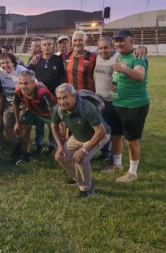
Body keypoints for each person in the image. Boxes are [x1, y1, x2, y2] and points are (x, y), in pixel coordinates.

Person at [51, 83, 111, 198]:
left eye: (65, 97)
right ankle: (77, 178)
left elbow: (101, 132)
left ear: (74, 96)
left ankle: (87, 189)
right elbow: (54, 126)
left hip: (98, 135)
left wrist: (84, 149)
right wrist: (59, 146)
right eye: (59, 98)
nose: (62, 102)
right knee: (60, 156)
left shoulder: (86, 108)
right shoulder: (58, 109)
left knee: (81, 158)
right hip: (79, 136)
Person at [105, 30, 150, 183]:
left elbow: (139, 75)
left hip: (134, 105)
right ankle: (117, 165)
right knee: (116, 136)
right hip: (118, 103)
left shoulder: (138, 57)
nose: (118, 43)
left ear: (132, 40)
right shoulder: (119, 55)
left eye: (122, 40)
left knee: (132, 140)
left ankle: (132, 172)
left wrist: (123, 69)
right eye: (116, 41)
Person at [28, 37, 65, 155]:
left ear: (53, 46)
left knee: (52, 122)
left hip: (54, 97)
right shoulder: (36, 61)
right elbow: (28, 75)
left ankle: (51, 144)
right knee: (39, 121)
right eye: (44, 44)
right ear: (41, 47)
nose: (47, 47)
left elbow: (62, 78)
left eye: (49, 44)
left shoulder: (58, 60)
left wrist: (60, 95)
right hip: (39, 98)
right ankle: (38, 143)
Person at [12, 70, 56, 165]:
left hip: (47, 114)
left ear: (33, 83)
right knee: (21, 129)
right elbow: (15, 104)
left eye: (26, 83)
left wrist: (56, 124)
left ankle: (59, 151)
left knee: (59, 132)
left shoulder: (42, 93)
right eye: (21, 83)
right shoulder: (18, 91)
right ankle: (27, 153)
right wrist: (17, 122)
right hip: (33, 111)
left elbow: (53, 111)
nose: (23, 86)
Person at [93, 37, 119, 161]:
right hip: (99, 100)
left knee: (113, 132)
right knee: (102, 129)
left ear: (112, 47)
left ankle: (114, 158)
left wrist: (142, 49)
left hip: (112, 101)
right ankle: (105, 153)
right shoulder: (96, 57)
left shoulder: (117, 57)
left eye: (106, 48)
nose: (103, 50)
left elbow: (134, 54)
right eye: (100, 48)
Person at [0, 52, 27, 145]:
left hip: (22, 103)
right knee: (7, 126)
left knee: (21, 127)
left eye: (7, 62)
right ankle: (16, 146)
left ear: (13, 62)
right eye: (2, 63)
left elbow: (34, 82)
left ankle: (24, 148)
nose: (5, 65)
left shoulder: (21, 71)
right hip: (9, 103)